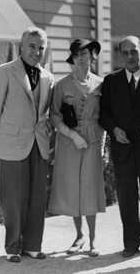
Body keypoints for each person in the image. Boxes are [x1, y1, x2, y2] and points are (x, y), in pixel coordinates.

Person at [0, 27, 54, 263]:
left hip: (39, 143)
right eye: (32, 46)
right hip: (12, 144)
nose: (37, 52)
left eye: (41, 48)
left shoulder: (48, 76)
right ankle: (13, 247)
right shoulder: (5, 72)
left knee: (37, 197)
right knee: (13, 198)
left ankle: (34, 245)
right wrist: (8, 135)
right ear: (22, 47)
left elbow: (45, 112)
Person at [99, 36, 140, 258]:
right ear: (120, 55)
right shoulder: (111, 82)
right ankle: (130, 243)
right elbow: (104, 114)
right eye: (125, 53)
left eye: (134, 52)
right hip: (123, 148)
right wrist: (114, 130)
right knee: (127, 197)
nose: (129, 57)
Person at [47, 39, 106, 257]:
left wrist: (103, 145)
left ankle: (93, 239)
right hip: (68, 141)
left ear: (93, 56)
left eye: (84, 53)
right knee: (72, 188)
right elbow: (54, 116)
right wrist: (72, 135)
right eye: (76, 55)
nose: (80, 58)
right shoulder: (61, 85)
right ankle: (79, 236)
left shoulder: (101, 84)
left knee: (89, 188)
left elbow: (105, 117)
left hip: (93, 138)